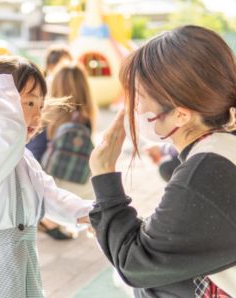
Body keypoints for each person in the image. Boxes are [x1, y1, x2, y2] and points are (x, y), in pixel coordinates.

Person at [88, 25, 236, 298]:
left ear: (181, 115)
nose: (134, 108)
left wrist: (104, 176)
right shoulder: (222, 147)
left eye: (139, 97)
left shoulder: (206, 170)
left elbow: (135, 265)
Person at [0, 49, 92, 298]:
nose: (37, 114)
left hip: (21, 257)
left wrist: (87, 213)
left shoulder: (23, 157)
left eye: (40, 105)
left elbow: (49, 195)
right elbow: (9, 131)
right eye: (28, 103)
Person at [27, 63, 98, 239]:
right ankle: (50, 220)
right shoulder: (84, 118)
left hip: (40, 170)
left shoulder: (45, 112)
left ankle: (46, 218)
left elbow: (34, 148)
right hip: (64, 177)